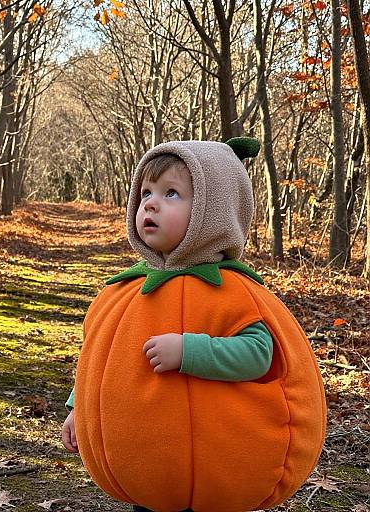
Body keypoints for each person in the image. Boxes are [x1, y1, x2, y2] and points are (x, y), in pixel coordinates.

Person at [61, 138, 325, 512]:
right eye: (146, 192)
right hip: (146, 468)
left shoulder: (233, 293)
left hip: (217, 468)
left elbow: (260, 355)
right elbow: (95, 359)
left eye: (171, 194)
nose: (150, 203)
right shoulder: (120, 292)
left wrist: (190, 351)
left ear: (211, 211)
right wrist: (79, 408)